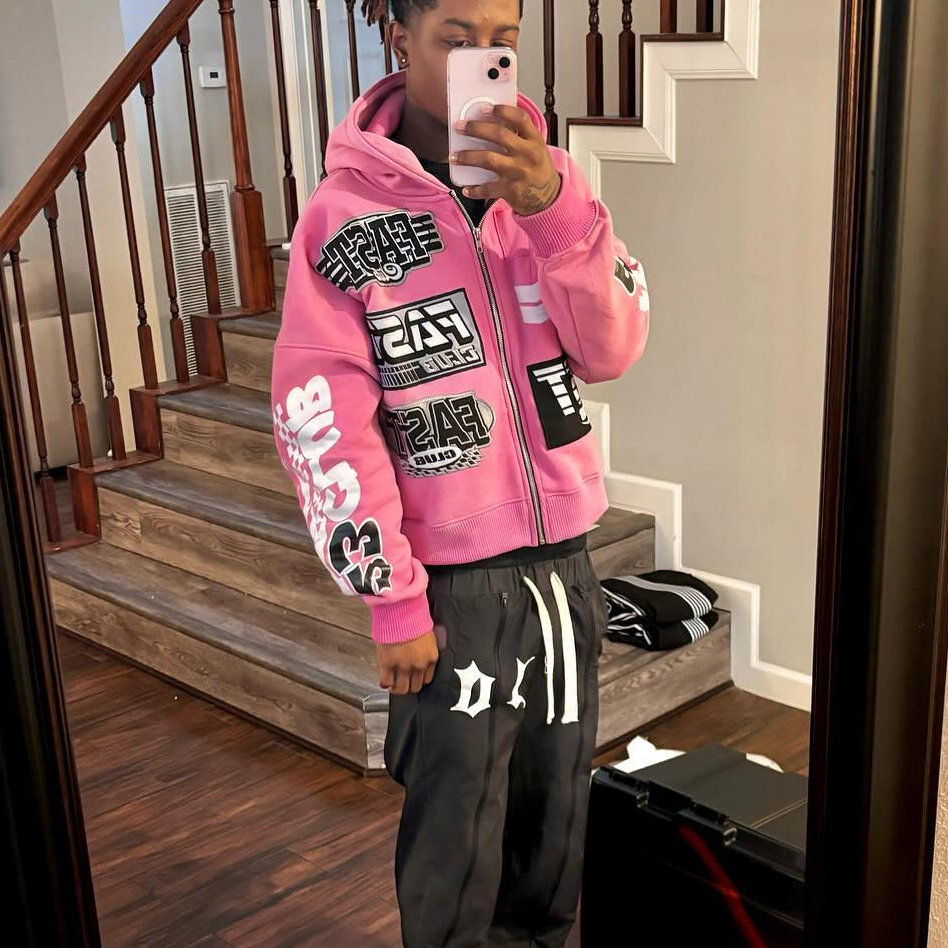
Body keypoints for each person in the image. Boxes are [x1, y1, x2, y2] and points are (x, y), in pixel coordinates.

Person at [270, 0, 650, 943]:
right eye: (456, 37)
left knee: (554, 837)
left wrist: (553, 211)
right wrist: (391, 598)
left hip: (562, 571)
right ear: (399, 39)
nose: (484, 58)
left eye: (502, 40)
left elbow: (612, 349)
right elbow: (323, 420)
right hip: (450, 591)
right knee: (457, 851)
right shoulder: (343, 219)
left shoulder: (547, 187)